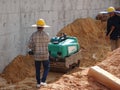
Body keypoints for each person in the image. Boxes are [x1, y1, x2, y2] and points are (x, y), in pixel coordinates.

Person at [28, 19, 50, 88]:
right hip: (45, 55)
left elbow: (29, 45)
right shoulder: (47, 35)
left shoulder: (33, 35)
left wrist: (34, 49)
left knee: (37, 69)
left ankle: (38, 83)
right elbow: (48, 44)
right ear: (43, 27)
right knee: (46, 67)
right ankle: (43, 81)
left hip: (37, 55)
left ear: (37, 27)